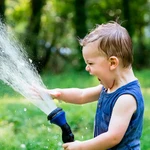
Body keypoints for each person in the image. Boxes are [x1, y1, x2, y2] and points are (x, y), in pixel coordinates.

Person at [44, 21, 144, 150]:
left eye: (90, 63)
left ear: (112, 63)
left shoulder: (126, 98)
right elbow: (82, 95)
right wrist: (57, 93)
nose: (87, 68)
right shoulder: (110, 87)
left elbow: (112, 137)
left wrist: (81, 147)